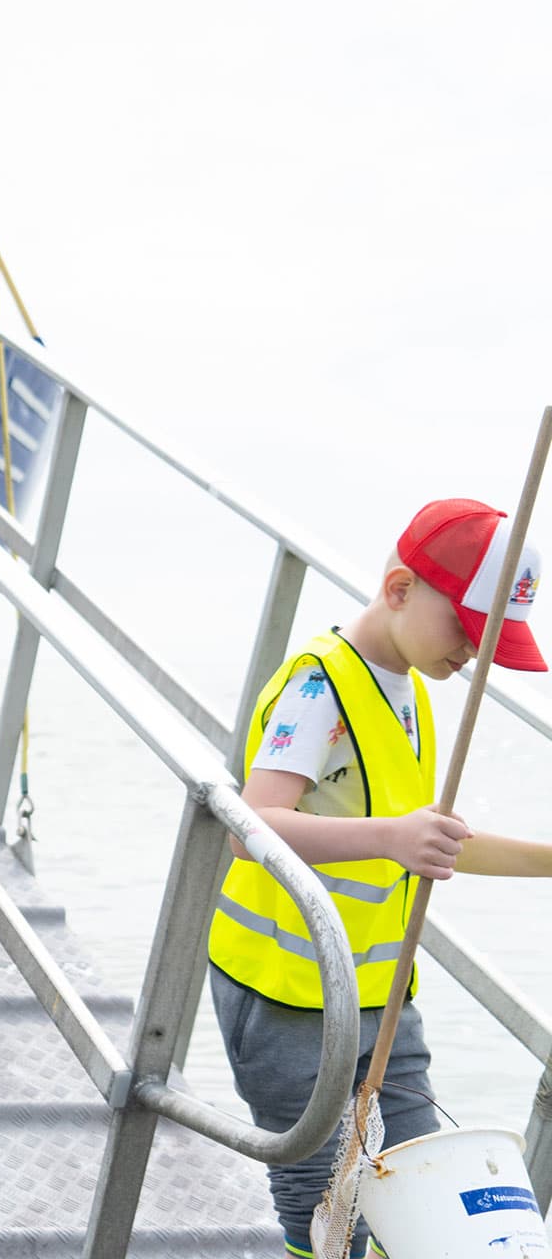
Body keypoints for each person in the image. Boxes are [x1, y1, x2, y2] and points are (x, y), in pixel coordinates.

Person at [207, 498, 552, 1259]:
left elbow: (430, 845)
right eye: (465, 630)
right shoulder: (319, 686)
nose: (472, 654)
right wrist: (392, 838)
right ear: (400, 589)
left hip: (383, 989)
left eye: (487, 641)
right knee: (321, 1203)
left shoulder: (416, 697)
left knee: (420, 1178)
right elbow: (249, 827)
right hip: (288, 993)